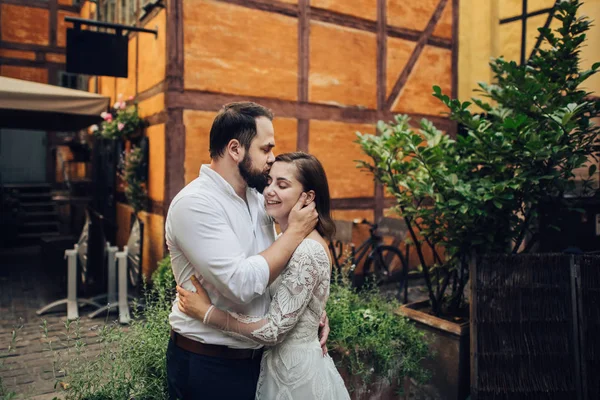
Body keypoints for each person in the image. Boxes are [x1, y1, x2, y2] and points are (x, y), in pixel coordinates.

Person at [165, 103, 330, 400]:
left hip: (260, 362)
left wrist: (306, 308)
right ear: (235, 149)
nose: (271, 159)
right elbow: (241, 285)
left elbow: (281, 267)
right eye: (266, 149)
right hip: (209, 366)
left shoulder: (258, 197)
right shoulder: (195, 204)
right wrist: (293, 232)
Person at [177, 152, 351, 400]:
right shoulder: (283, 242)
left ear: (309, 196)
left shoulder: (308, 249)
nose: (269, 191)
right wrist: (313, 312)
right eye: (269, 182)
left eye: (282, 185)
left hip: (296, 376)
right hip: (273, 368)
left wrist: (207, 313)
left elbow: (274, 330)